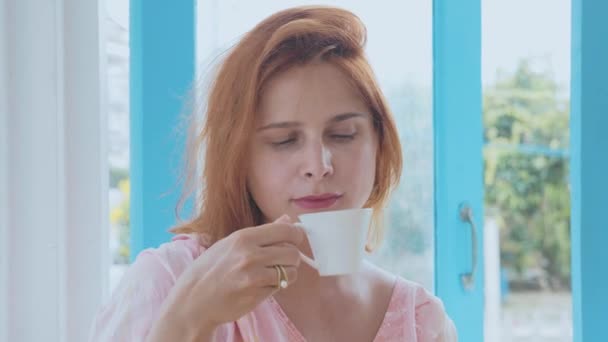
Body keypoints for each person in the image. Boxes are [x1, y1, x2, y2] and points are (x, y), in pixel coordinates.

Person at [90, 5, 457, 342]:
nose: (318, 165)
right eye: (284, 140)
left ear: (380, 142)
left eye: (343, 134)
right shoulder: (168, 279)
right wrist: (189, 318)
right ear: (238, 157)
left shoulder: (421, 321)